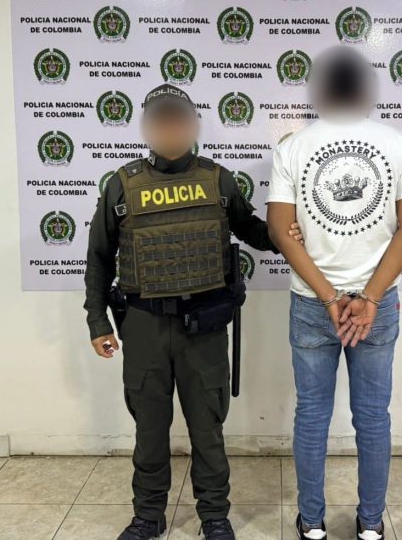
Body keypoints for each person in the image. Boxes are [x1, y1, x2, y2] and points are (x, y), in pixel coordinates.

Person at [84, 83, 301, 540]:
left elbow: (251, 230)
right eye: (160, 121)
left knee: (207, 428)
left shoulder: (218, 180)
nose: (170, 129)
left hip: (203, 325)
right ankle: (147, 516)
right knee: (149, 430)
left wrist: (288, 232)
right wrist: (98, 321)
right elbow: (99, 259)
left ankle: (214, 516)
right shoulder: (122, 185)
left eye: (178, 120)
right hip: (143, 324)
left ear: (193, 125)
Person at [266, 47, 402, 540]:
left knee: (312, 416)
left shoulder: (293, 147)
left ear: (319, 91)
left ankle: (312, 525)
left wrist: (330, 297)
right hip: (376, 306)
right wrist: (370, 298)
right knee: (373, 417)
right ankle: (372, 525)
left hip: (314, 303)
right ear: (364, 90)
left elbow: (278, 229)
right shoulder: (397, 143)